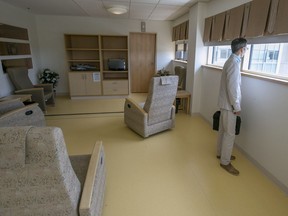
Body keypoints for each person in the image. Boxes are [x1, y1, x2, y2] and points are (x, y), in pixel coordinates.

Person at [217, 37, 247, 176]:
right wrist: (237, 106)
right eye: (245, 49)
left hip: (224, 103)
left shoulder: (229, 61)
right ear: (241, 49)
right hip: (229, 106)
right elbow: (233, 88)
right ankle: (225, 161)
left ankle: (221, 153)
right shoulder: (234, 64)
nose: (245, 51)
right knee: (230, 134)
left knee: (222, 131)